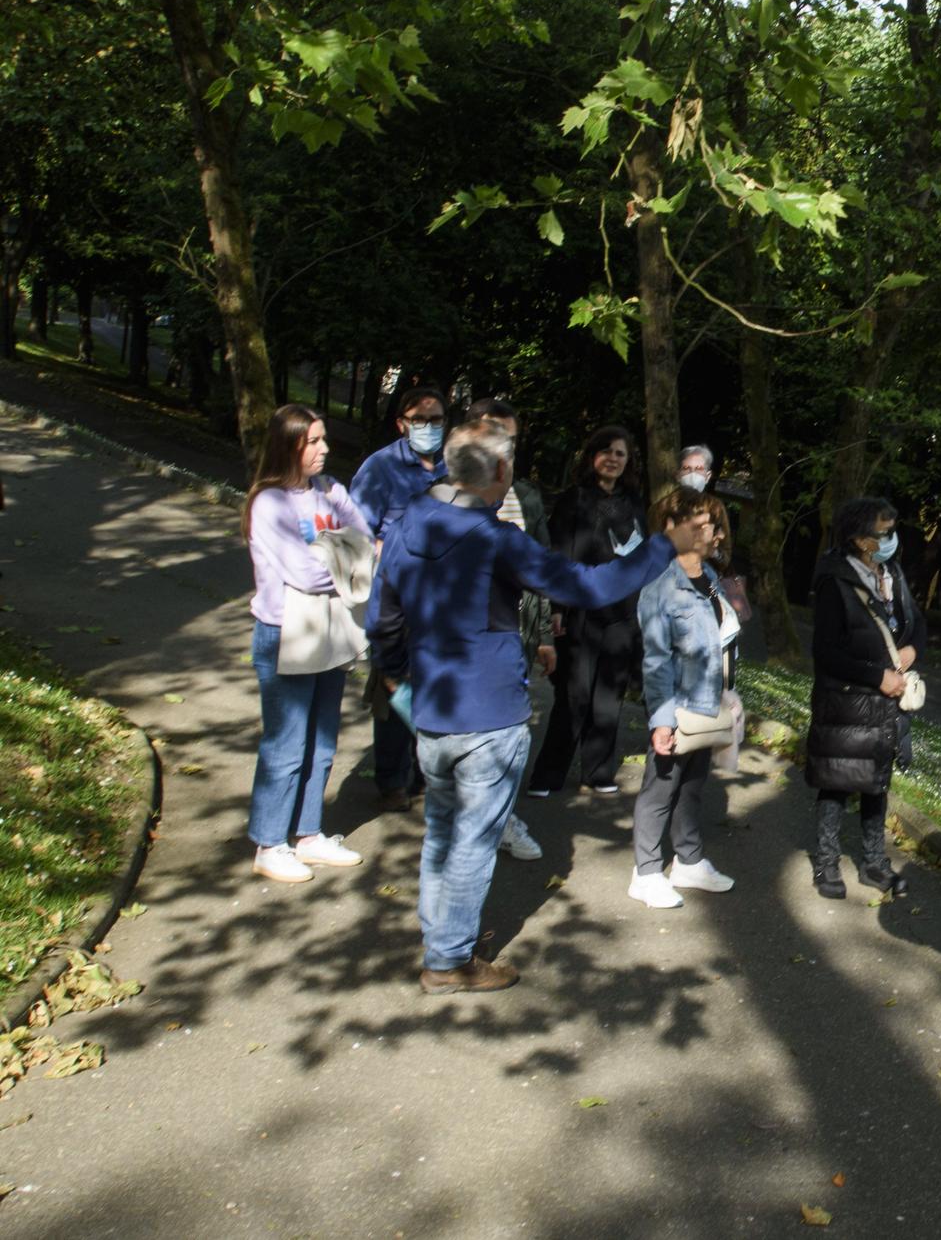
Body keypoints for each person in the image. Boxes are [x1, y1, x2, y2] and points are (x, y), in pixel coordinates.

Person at [367, 419, 707, 994]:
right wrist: (663, 546)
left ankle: (441, 944)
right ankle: (449, 961)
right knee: (471, 840)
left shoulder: (407, 524)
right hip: (489, 713)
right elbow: (590, 587)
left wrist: (400, 676)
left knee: (442, 834)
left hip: (432, 707)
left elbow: (383, 619)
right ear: (500, 472)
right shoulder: (495, 539)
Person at [241, 404, 370, 883]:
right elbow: (305, 574)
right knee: (286, 743)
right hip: (284, 633)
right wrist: (345, 556)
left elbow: (367, 541)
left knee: (323, 739)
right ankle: (269, 842)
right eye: (314, 441)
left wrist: (342, 553)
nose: (325, 449)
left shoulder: (332, 490)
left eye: (323, 440)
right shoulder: (269, 503)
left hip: (330, 628)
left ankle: (308, 833)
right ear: (289, 445)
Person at [805, 496, 926, 900]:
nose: (891, 538)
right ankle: (826, 864)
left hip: (885, 705)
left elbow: (915, 626)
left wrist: (912, 651)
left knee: (877, 782)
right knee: (836, 781)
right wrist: (877, 676)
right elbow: (825, 650)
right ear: (860, 539)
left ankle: (875, 864)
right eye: (884, 531)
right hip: (846, 701)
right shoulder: (834, 579)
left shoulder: (892, 573)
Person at [630, 487, 741, 908]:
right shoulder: (660, 584)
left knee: (693, 787)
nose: (708, 529)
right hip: (675, 705)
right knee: (660, 791)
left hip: (707, 701)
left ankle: (689, 862)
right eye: (697, 520)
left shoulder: (709, 578)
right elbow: (655, 659)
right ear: (671, 527)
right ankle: (644, 872)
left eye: (709, 521)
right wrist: (661, 719)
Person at [524, 426, 648, 799]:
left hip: (623, 615)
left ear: (628, 462)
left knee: (609, 698)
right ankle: (547, 775)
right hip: (579, 612)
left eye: (620, 453)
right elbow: (558, 555)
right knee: (572, 697)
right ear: (592, 456)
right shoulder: (573, 500)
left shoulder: (635, 503)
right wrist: (556, 609)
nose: (612, 458)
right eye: (605, 451)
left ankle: (597, 773)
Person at [351, 383, 450, 812]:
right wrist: (392, 552)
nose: (428, 427)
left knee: (433, 688)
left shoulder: (453, 465)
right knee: (394, 687)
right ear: (402, 423)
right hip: (395, 598)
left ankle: (422, 774)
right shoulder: (380, 467)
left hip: (443, 600)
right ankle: (391, 778)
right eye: (419, 419)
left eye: (436, 420)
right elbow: (355, 532)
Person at [463, 397, 550, 862]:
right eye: (494, 431)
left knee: (515, 732)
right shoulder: (446, 492)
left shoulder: (527, 496)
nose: (505, 445)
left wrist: (548, 636)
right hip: (465, 638)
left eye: (511, 438)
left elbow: (543, 566)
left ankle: (503, 816)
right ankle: (470, 822)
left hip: (518, 635)